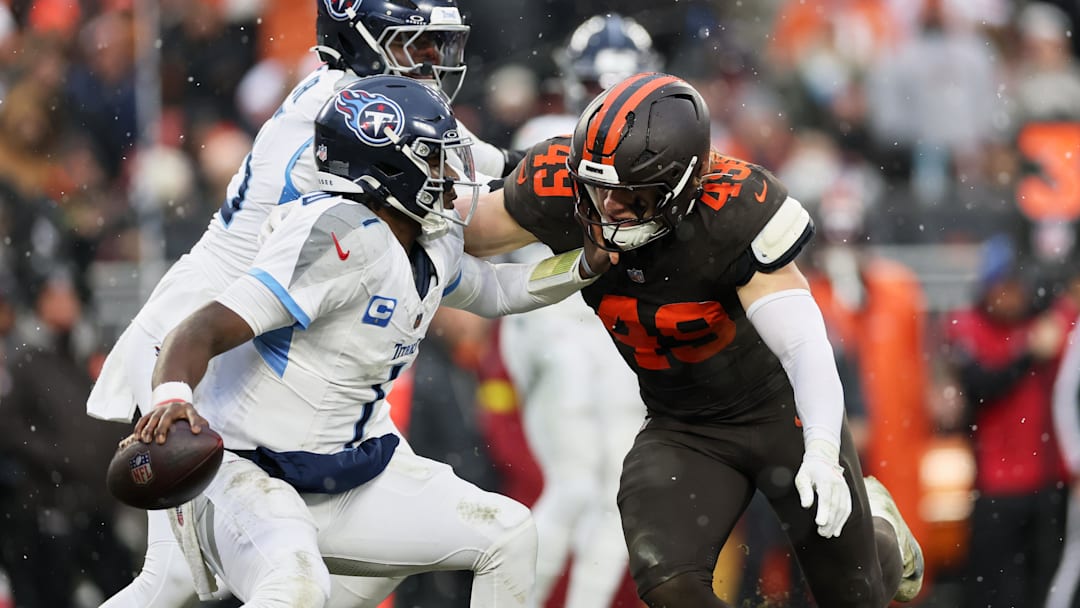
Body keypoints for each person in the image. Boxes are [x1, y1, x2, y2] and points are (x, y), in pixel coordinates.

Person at [88, 2, 519, 606]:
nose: (429, 63)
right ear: (358, 39)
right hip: (196, 345)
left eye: (436, 47)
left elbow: (489, 178)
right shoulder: (355, 117)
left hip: (230, 339)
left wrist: (561, 181)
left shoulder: (364, 100)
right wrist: (581, 194)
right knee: (196, 578)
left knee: (351, 564)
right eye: (412, 45)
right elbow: (469, 217)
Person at [128, 75, 610, 608]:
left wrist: (586, 266)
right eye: (435, 158)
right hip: (250, 470)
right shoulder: (334, 234)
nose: (453, 173)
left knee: (509, 535)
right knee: (294, 588)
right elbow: (203, 327)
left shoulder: (431, 237)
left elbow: (496, 289)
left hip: (351, 475)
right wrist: (172, 396)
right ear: (388, 168)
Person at [463, 72, 924, 607]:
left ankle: (881, 527)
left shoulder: (735, 210)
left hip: (779, 414)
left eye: (630, 195)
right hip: (683, 425)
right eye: (597, 189)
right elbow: (467, 237)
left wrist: (821, 450)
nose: (607, 208)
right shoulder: (563, 187)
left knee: (854, 595)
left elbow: (804, 346)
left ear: (683, 185)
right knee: (667, 580)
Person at [500, 13, 658, 608]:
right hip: (557, 318)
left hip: (599, 327)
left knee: (616, 496)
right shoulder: (548, 134)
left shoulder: (550, 129)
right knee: (576, 489)